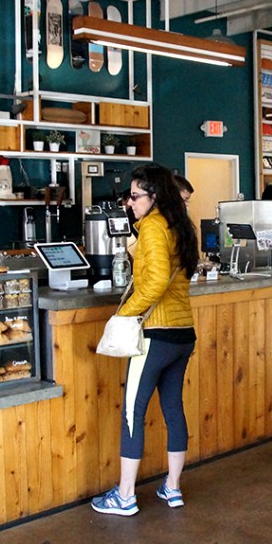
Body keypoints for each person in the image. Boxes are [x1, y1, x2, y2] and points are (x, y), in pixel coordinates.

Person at [90, 163, 200, 517]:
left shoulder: (153, 226)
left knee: (132, 414)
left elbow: (153, 283)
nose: (129, 202)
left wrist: (124, 314)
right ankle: (173, 488)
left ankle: (125, 496)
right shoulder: (180, 225)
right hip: (182, 333)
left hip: (155, 334)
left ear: (154, 196)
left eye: (135, 196)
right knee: (173, 409)